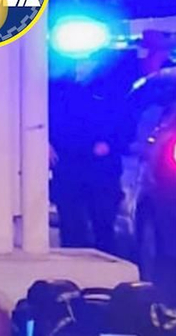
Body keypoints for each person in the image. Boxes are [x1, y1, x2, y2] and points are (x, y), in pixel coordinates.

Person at [50, 63, 135, 253]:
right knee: (71, 225)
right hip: (68, 165)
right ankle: (72, 270)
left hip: (101, 169)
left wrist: (110, 144)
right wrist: (43, 143)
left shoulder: (110, 89)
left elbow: (126, 124)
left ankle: (105, 270)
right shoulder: (57, 89)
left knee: (103, 224)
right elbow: (40, 117)